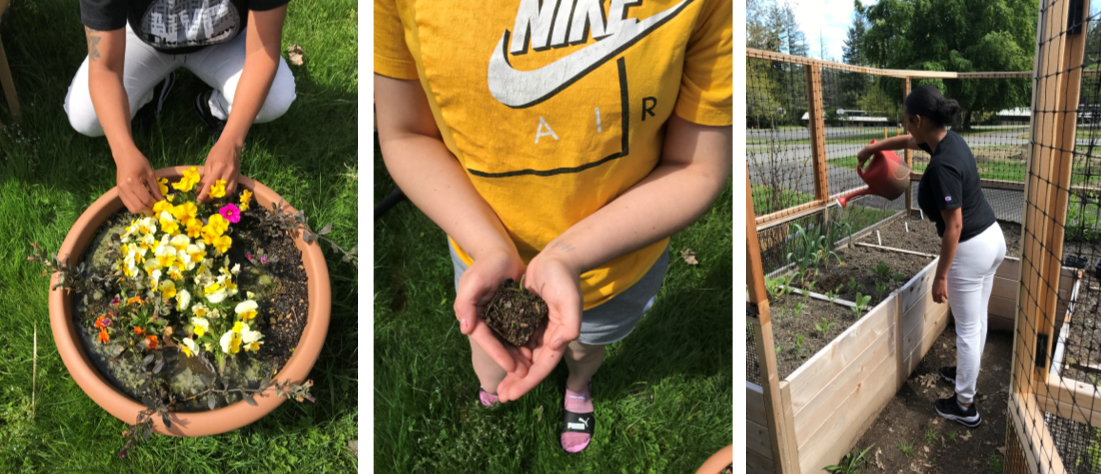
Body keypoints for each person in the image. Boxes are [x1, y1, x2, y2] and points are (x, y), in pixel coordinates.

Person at [374, 0, 732, 453]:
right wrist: (488, 247)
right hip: (482, 262)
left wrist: (569, 255)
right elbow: (405, 132)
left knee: (585, 347)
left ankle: (578, 386)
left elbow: (696, 165)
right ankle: (494, 382)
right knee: (489, 358)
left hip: (612, 272)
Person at [858, 85, 1006, 428]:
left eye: (907, 121)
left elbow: (953, 226)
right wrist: (874, 148)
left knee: (968, 328)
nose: (907, 128)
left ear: (919, 119)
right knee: (977, 319)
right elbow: (909, 143)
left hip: (969, 248)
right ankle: (964, 374)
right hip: (992, 239)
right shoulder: (949, 140)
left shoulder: (942, 167)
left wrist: (941, 276)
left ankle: (965, 405)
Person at [66, 0, 298, 214]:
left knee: (275, 97)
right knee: (86, 115)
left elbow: (262, 53)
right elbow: (105, 68)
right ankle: (153, 89)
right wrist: (122, 150)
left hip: (226, 40)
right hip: (142, 39)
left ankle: (212, 105)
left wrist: (232, 141)